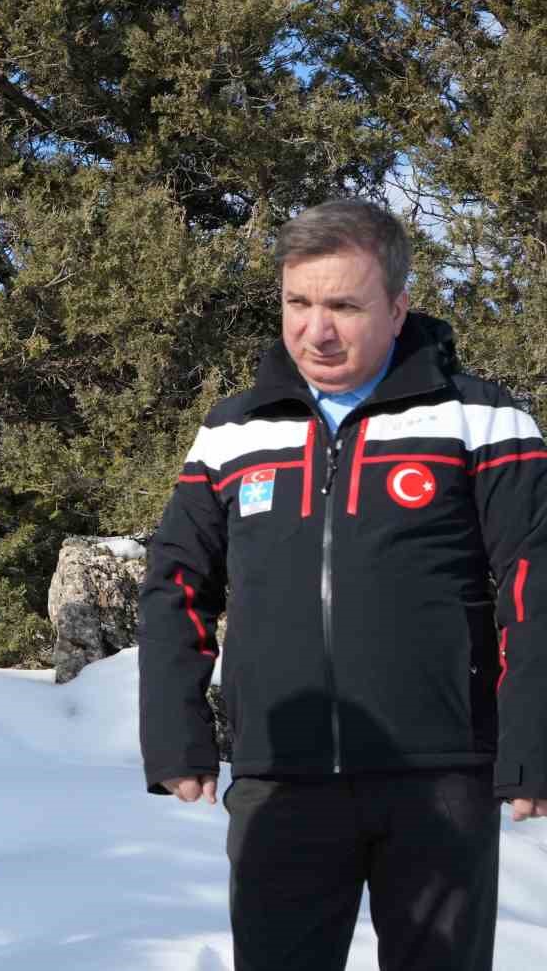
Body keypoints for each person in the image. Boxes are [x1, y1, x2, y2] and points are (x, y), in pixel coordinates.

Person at [138, 198, 546, 970]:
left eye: (344, 306)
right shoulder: (233, 430)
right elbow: (176, 582)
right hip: (280, 778)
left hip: (439, 777)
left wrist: (534, 735)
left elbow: (536, 577)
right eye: (298, 302)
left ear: (397, 307)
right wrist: (174, 731)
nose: (315, 330)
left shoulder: (482, 419)